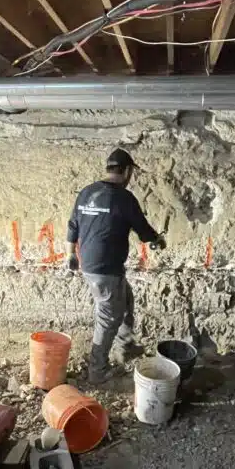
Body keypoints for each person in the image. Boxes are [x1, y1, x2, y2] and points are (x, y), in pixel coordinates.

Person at [66, 148, 165, 385]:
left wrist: (70, 254)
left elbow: (73, 225)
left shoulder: (87, 192)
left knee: (126, 299)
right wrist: (157, 240)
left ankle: (125, 347)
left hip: (92, 263)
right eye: (132, 172)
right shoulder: (123, 198)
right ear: (127, 171)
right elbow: (143, 230)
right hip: (105, 268)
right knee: (108, 317)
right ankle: (97, 370)